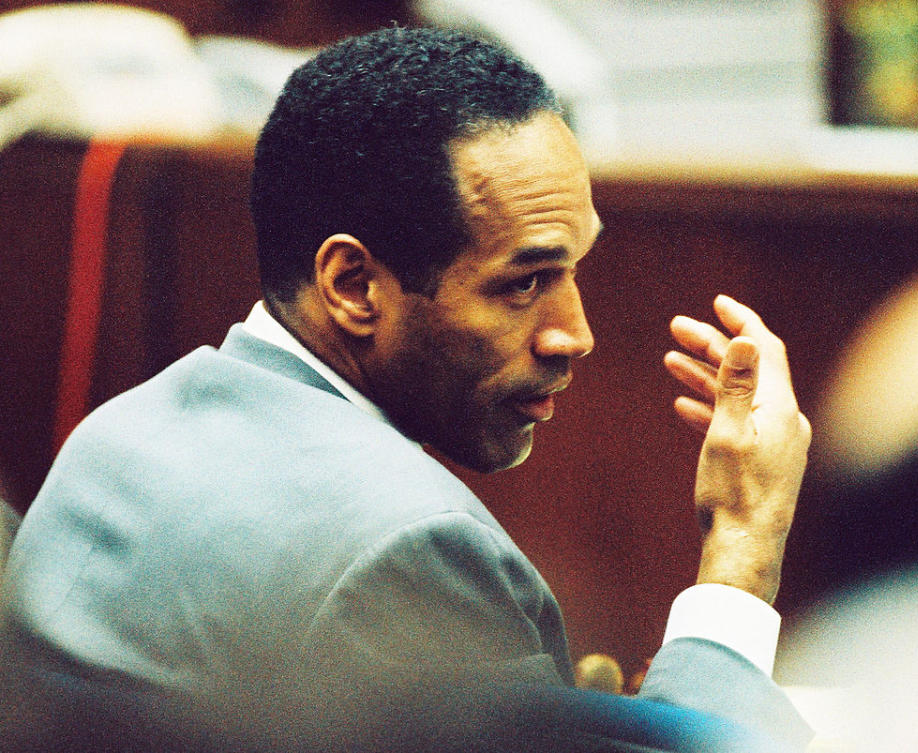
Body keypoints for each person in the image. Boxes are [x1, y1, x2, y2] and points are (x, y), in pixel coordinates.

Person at [0, 26, 812, 751]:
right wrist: (744, 542)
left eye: (574, 267)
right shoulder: (408, 548)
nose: (577, 333)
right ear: (353, 283)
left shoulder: (113, 438)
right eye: (525, 283)